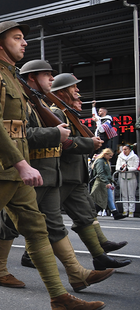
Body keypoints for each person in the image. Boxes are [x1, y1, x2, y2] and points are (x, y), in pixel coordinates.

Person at [0, 21, 105, 309]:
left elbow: (19, 128)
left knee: (37, 228)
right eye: (17, 38)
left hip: (18, 170)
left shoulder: (13, 79)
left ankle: (59, 297)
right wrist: (20, 163)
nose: (24, 43)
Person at [0, 59, 114, 292]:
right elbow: (20, 133)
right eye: (47, 75)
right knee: (9, 224)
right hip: (32, 171)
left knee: (55, 226)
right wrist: (55, 134)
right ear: (32, 78)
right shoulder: (25, 104)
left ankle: (77, 275)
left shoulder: (42, 104)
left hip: (51, 173)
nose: (52, 80)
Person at [50, 73, 131, 270]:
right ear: (61, 91)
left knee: (86, 216)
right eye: (73, 88)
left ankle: (99, 255)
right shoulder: (55, 113)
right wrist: (89, 143)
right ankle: (29, 254)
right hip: (62, 175)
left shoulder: (67, 113)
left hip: (74, 176)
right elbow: (59, 143)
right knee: (46, 220)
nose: (78, 91)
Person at [90, 148, 126, 220]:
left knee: (109, 198)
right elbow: (100, 173)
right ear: (105, 154)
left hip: (104, 182)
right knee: (102, 199)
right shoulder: (100, 161)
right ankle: (92, 214)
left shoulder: (105, 161)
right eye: (110, 156)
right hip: (101, 182)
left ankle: (115, 213)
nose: (111, 157)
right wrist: (107, 182)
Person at [116, 144, 138, 217]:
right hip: (122, 177)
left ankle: (131, 211)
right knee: (124, 194)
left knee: (131, 194)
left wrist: (128, 169)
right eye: (123, 149)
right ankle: (125, 210)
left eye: (125, 149)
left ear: (129, 150)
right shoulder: (120, 156)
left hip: (131, 177)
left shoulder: (134, 157)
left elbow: (135, 166)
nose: (124, 151)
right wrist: (121, 168)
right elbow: (117, 166)